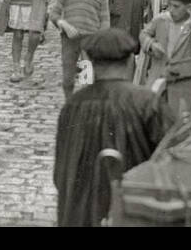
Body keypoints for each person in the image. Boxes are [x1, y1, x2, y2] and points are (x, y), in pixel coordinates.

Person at [52, 28, 173, 227]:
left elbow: (60, 174)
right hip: (132, 212)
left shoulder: (72, 106)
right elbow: (169, 164)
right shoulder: (148, 102)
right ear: (128, 63)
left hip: (80, 216)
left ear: (91, 63)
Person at [47, 0, 112, 99]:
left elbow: (105, 20)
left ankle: (84, 106)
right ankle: (69, 102)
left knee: (86, 77)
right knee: (68, 76)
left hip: (89, 40)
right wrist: (63, 24)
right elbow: (54, 13)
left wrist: (99, 39)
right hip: (69, 40)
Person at [138, 0, 191, 85]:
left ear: (188, 7)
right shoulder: (161, 19)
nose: (171, 10)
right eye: (169, 5)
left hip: (181, 79)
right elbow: (143, 34)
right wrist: (151, 45)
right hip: (158, 77)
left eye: (176, 7)